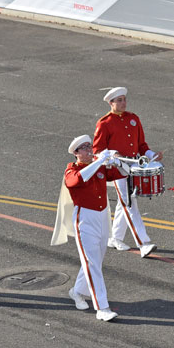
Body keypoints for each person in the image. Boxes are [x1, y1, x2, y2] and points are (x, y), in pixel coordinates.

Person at [54, 135, 128, 322]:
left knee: (95, 260)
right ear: (76, 153)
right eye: (84, 148)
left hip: (103, 217)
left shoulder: (100, 165)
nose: (89, 150)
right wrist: (100, 160)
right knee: (93, 263)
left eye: (89, 146)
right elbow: (78, 180)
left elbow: (125, 173)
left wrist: (118, 161)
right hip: (85, 219)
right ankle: (102, 308)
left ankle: (77, 291)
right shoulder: (71, 169)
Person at [93, 87, 162, 257]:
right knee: (130, 203)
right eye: (119, 100)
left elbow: (141, 145)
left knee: (124, 202)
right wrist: (112, 154)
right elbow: (97, 150)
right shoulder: (105, 123)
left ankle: (115, 238)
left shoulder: (133, 119)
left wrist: (153, 155)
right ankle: (143, 243)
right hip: (118, 168)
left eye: (124, 99)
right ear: (111, 103)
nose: (123, 103)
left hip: (134, 166)